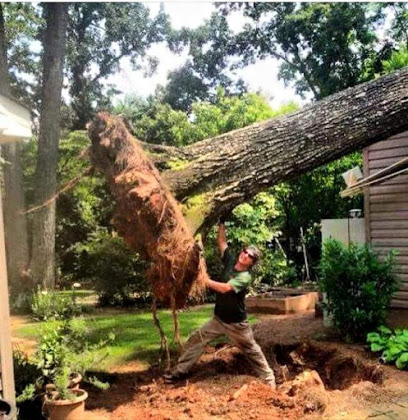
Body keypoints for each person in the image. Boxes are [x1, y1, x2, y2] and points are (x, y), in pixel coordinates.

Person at [164, 220, 276, 388]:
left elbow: (225, 288)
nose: (245, 255)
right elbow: (222, 243)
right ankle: (179, 372)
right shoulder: (231, 259)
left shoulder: (245, 277)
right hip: (219, 319)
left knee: (252, 351)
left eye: (250, 256)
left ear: (251, 263)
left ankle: (269, 380)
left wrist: (204, 280)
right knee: (197, 338)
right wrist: (221, 223)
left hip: (237, 324)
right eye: (245, 251)